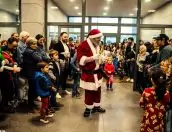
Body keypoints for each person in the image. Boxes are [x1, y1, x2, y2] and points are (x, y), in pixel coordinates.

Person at [77, 29, 106, 117]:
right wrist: (92, 58)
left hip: (98, 72)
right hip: (89, 73)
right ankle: (88, 108)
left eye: (100, 38)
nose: (99, 40)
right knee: (89, 92)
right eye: (98, 38)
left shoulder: (97, 44)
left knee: (98, 91)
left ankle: (96, 106)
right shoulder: (83, 45)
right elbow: (80, 59)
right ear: (93, 37)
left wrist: (101, 59)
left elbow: (98, 57)